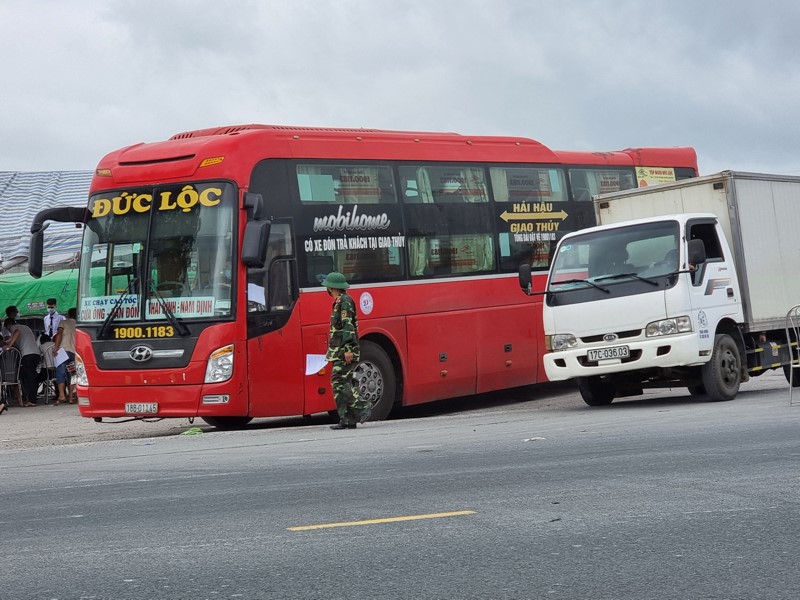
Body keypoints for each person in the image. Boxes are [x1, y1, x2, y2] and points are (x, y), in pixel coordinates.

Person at [322, 272, 370, 429]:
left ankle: (363, 406)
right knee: (340, 382)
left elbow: (348, 327)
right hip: (338, 350)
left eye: (328, 287)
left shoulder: (345, 302)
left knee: (339, 382)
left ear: (332, 287)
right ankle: (347, 419)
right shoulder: (339, 301)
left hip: (345, 351)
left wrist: (348, 349)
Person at [2, 306, 41, 406]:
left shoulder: (15, 327)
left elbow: (16, 333)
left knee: (29, 378)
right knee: (25, 375)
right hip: (36, 354)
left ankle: (32, 400)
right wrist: (8, 342)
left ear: (8, 326)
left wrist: (8, 346)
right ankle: (28, 397)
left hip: (28, 355)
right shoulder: (26, 327)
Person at [52, 307, 78, 404]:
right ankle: (71, 397)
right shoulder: (79, 324)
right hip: (74, 352)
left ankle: (62, 396)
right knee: (72, 375)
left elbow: (59, 334)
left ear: (68, 315)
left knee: (60, 373)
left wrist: (56, 348)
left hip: (63, 351)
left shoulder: (63, 322)